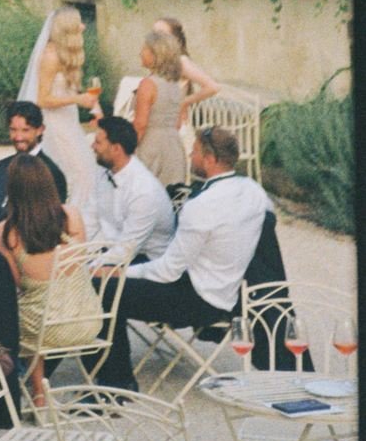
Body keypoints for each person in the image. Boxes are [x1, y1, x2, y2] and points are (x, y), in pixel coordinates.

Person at [91, 125, 274, 390]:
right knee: (119, 277)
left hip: (197, 299)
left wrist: (120, 272)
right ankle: (112, 376)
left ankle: (116, 383)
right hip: (228, 294)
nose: (190, 156)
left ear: (210, 160)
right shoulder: (255, 191)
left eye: (195, 151)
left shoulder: (200, 206)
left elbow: (168, 272)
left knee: (104, 290)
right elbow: (270, 217)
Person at [0, 154, 100, 409]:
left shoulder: (8, 231)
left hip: (44, 329)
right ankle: (41, 387)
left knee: (26, 308)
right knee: (46, 301)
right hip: (87, 320)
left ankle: (38, 391)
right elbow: (78, 263)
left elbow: (18, 284)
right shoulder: (72, 216)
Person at [17, 6, 100, 222]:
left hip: (67, 120)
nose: (83, 26)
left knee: (86, 172)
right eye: (78, 22)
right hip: (54, 123)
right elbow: (42, 99)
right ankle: (70, 222)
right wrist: (77, 99)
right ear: (67, 28)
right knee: (79, 174)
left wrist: (90, 104)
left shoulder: (64, 54)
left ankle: (80, 223)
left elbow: (64, 91)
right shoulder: (50, 56)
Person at [0, 101, 68, 240]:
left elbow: (47, 226)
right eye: (13, 130)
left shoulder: (51, 172)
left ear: (40, 130)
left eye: (25, 130)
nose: (18, 137)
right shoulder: (1, 166)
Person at [90, 114, 175, 264]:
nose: (92, 147)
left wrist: (85, 269)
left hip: (145, 261)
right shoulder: (104, 170)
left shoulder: (144, 191)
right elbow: (90, 216)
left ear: (116, 149)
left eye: (98, 143)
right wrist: (72, 252)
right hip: (113, 248)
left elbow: (125, 251)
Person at [134, 27, 200, 189]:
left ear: (156, 54)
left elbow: (140, 124)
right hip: (174, 146)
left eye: (144, 49)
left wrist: (129, 150)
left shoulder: (148, 84)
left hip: (151, 146)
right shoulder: (174, 85)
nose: (140, 53)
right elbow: (177, 123)